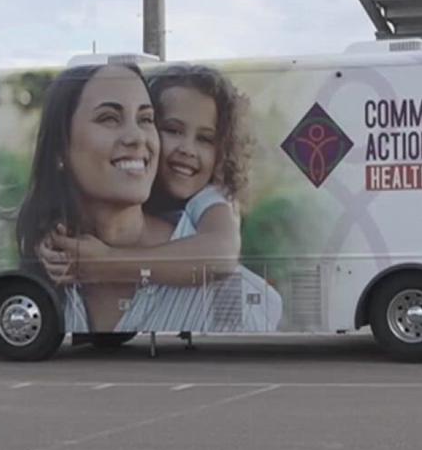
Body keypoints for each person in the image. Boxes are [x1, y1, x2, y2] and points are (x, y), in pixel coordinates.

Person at [39, 64, 282, 332]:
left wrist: (107, 263)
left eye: (205, 139)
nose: (187, 149)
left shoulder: (210, 199)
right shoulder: (60, 250)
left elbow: (221, 253)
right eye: (172, 130)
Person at [17, 63, 178, 333]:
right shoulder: (48, 258)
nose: (137, 138)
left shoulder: (221, 276)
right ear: (60, 149)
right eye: (109, 118)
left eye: (146, 119)